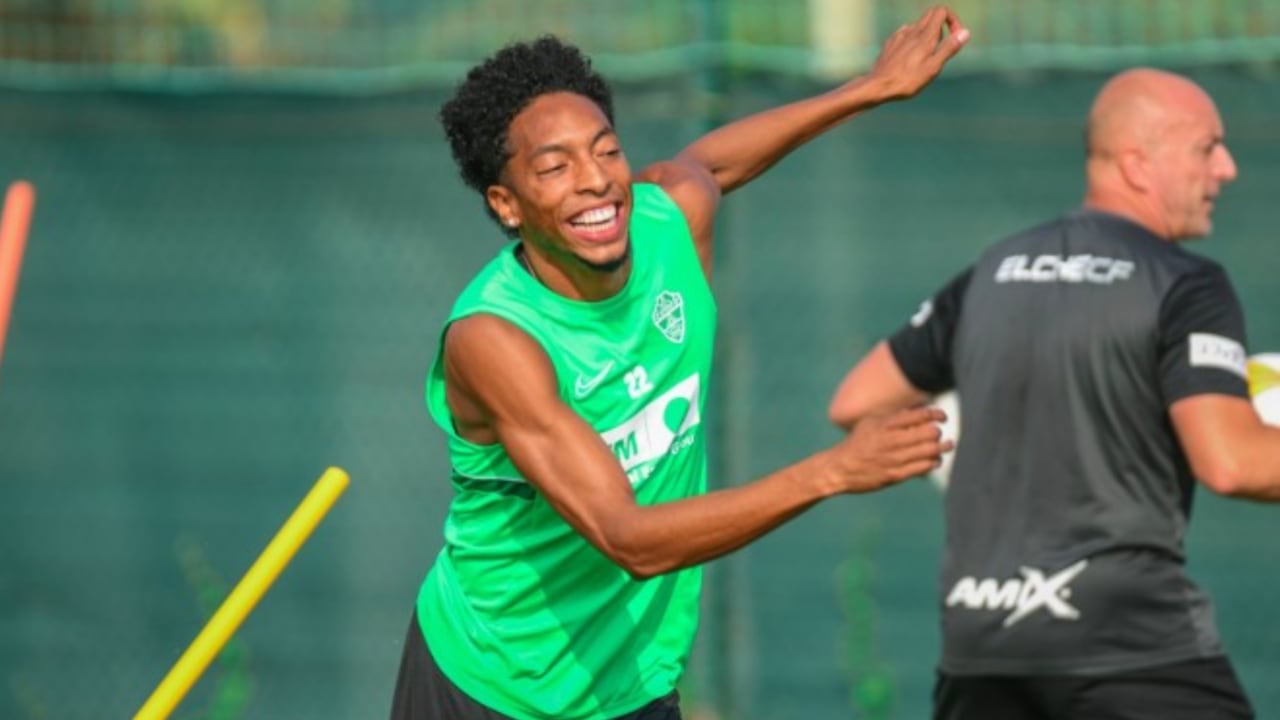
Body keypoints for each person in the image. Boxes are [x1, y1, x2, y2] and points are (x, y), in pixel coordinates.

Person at [389, 8, 969, 720]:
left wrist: (868, 88)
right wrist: (832, 471)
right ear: (507, 204)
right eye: (554, 166)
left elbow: (709, 164)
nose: (595, 181)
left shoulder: (667, 223)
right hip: (491, 684)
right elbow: (627, 537)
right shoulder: (495, 340)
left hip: (633, 678)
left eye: (606, 151)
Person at [828, 67, 1280, 720]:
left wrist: (990, 428)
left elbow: (856, 401)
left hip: (980, 645)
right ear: (1137, 161)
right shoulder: (1186, 285)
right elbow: (1231, 461)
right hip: (1128, 641)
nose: (1227, 169)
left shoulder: (993, 271)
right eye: (1208, 147)